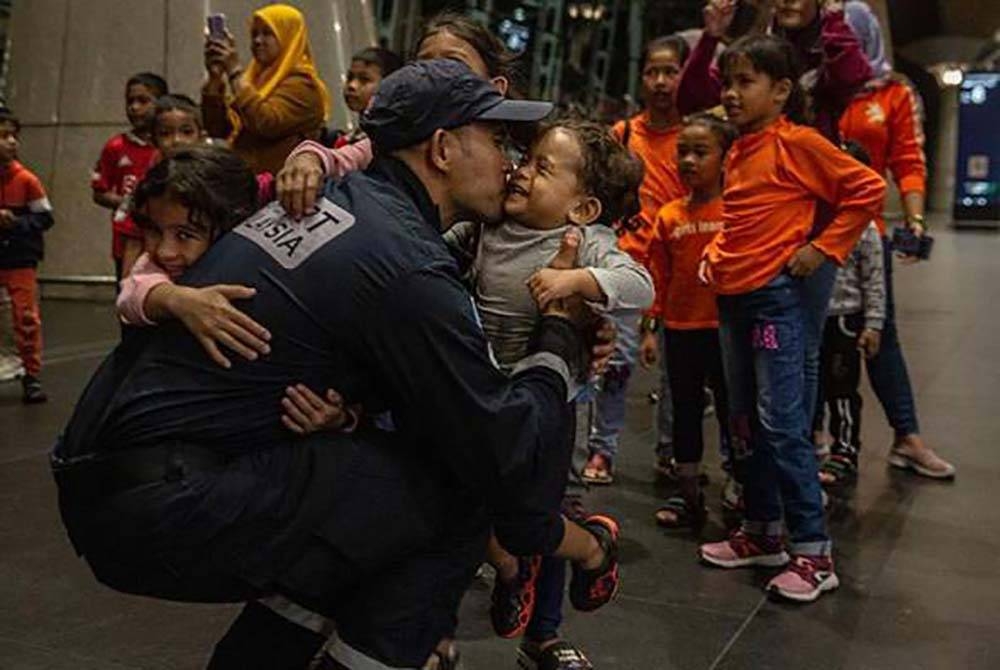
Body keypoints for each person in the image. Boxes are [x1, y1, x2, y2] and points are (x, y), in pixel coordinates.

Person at [52, 59, 613, 670]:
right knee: (455, 497)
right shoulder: (402, 261)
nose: (509, 161)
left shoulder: (344, 201)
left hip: (111, 479)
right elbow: (500, 446)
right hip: (160, 503)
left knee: (368, 503)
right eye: (496, 139)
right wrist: (561, 335)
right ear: (444, 149)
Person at [445, 118, 651, 669]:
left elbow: (639, 286)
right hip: (492, 397)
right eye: (525, 159)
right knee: (476, 504)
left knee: (545, 511)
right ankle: (512, 571)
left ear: (582, 208)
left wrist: (577, 282)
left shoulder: (584, 241)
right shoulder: (486, 227)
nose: (521, 172)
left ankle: (546, 631)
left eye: (542, 168)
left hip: (556, 404)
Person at [696, 35, 885, 603]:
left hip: (774, 300)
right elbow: (745, 217)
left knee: (781, 423)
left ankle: (812, 551)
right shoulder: (738, 148)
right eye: (727, 82)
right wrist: (716, 254)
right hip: (732, 298)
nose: (730, 93)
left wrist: (823, 250)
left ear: (781, 91)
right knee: (744, 421)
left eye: (745, 82)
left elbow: (867, 189)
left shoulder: (798, 143)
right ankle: (763, 532)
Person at [838, 2, 955, 478]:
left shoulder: (893, 93)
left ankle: (906, 437)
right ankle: (822, 442)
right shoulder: (812, 86)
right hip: (806, 230)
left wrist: (915, 221)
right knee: (813, 343)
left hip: (866, 233)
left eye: (847, 36)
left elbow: (908, 159)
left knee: (880, 334)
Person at [278, 10, 519, 218]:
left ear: (496, 88)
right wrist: (308, 160)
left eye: (453, 64)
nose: (435, 74)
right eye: (423, 65)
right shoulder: (401, 137)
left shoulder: (516, 162)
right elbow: (345, 157)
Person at [588, 34, 690, 484]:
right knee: (617, 363)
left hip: (683, 270)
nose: (662, 81)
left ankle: (672, 453)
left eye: (671, 71)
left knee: (681, 373)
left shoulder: (696, 137)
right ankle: (602, 450)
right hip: (629, 265)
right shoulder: (623, 135)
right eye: (653, 71)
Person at [640, 113, 736, 530]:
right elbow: (657, 276)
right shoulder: (669, 216)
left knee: (735, 411)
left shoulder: (736, 210)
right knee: (685, 410)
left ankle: (741, 485)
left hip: (724, 331)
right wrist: (650, 327)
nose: (689, 161)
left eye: (701, 152)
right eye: (683, 152)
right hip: (679, 331)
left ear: (725, 158)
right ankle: (688, 490)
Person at [813, 141, 885, 489]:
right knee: (810, 386)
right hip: (812, 317)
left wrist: (873, 324)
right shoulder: (811, 220)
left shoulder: (865, 228)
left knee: (841, 387)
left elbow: (874, 280)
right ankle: (812, 439)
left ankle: (844, 449)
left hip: (845, 318)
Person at [201, 3, 330, 175]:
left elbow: (265, 123)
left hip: (281, 190)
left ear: (288, 37)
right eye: (254, 34)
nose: (257, 41)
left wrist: (234, 72)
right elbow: (218, 129)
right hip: (248, 183)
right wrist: (215, 79)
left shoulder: (304, 85)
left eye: (267, 33)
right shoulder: (254, 79)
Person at [0, 109, 54, 404]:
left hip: (20, 258)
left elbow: (45, 218)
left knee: (25, 318)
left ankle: (31, 375)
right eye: (3, 136)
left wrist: (17, 223)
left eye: (13, 136)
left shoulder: (27, 180)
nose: (11, 143)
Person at [92, 72, 167, 281]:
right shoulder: (115, 147)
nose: (134, 107)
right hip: (127, 239)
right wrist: (130, 202)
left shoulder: (169, 146)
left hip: (164, 238)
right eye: (130, 101)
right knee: (127, 294)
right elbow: (99, 193)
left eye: (143, 101)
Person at [334, 47, 403, 147]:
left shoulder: (387, 143)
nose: (352, 85)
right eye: (350, 77)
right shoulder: (347, 140)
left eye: (364, 79)